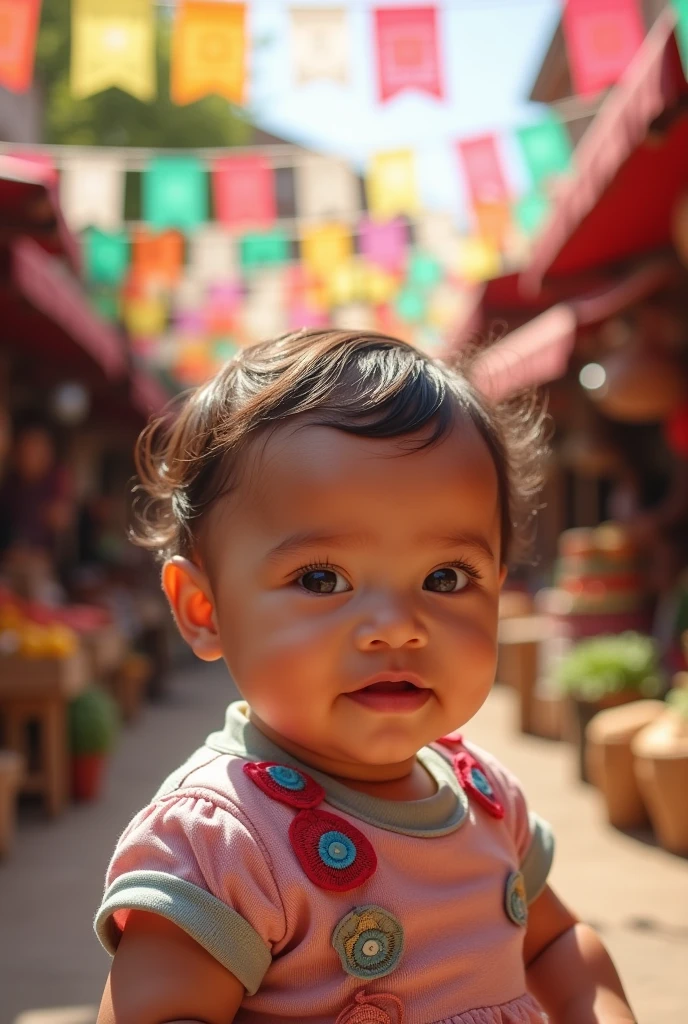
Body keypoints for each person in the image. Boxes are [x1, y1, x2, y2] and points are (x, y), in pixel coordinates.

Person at [95, 330, 635, 1024]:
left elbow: (558, 942)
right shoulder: (224, 844)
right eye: (322, 578)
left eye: (446, 577)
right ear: (205, 611)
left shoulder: (486, 798)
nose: (397, 625)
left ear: (497, 589)